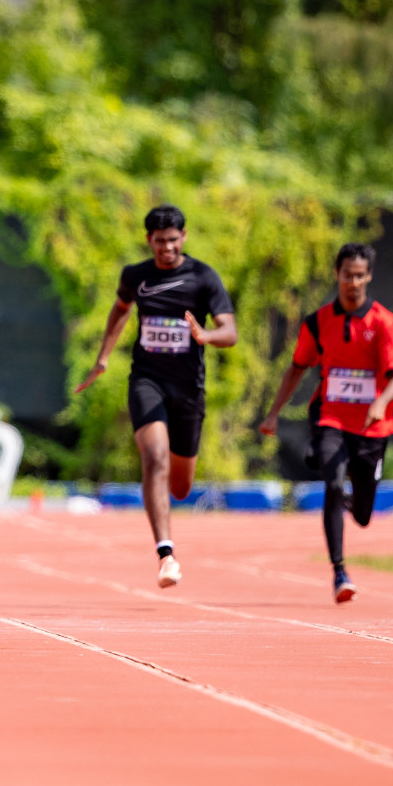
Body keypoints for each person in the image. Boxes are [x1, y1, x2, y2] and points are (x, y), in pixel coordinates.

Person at [76, 205, 236, 588]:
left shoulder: (202, 277)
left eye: (173, 240)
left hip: (188, 390)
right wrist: (102, 357)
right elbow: (120, 310)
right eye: (159, 241)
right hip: (147, 379)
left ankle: (166, 505)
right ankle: (166, 554)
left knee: (180, 485)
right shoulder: (137, 275)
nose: (166, 247)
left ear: (183, 238)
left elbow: (229, 332)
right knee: (154, 457)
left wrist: (205, 336)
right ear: (149, 240)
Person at [259, 243, 393, 604]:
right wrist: (274, 412)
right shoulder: (318, 322)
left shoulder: (385, 324)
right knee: (332, 482)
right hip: (331, 416)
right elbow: (296, 367)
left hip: (372, 426)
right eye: (346, 275)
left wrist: (380, 402)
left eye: (359, 276)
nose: (353, 282)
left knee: (363, 514)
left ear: (368, 276)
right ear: (337, 275)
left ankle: (351, 492)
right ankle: (339, 571)